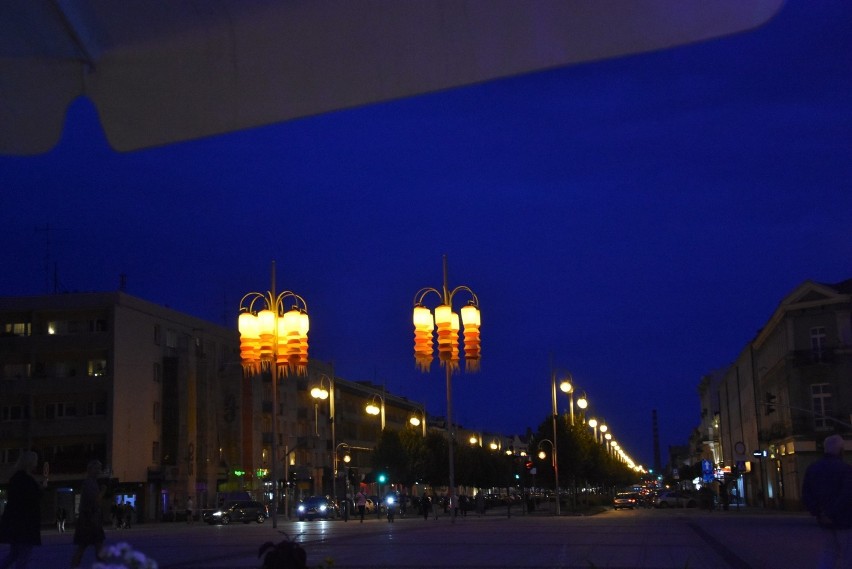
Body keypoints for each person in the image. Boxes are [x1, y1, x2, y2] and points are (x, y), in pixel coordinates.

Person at [802, 434, 852, 569]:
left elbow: (807, 494)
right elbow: (847, 495)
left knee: (828, 553)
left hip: (824, 521)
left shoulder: (813, 469)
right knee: (848, 554)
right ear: (841, 450)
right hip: (845, 521)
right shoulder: (845, 469)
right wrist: (831, 512)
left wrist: (819, 513)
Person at [0, 451, 43, 569]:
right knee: (23, 556)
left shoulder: (17, 478)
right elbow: (30, 499)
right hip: (24, 524)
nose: (36, 464)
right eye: (35, 461)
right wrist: (39, 488)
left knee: (14, 554)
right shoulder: (26, 479)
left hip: (16, 523)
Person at [71, 460, 106, 568]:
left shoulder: (90, 482)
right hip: (90, 520)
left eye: (99, 468)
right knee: (94, 546)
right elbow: (95, 501)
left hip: (88, 519)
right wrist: (103, 491)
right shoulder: (90, 483)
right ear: (90, 470)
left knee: (84, 547)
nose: (99, 471)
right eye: (97, 468)